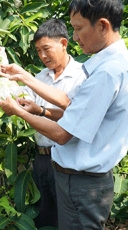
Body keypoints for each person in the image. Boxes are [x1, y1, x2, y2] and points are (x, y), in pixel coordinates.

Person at [0, 0, 128, 230]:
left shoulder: (107, 72)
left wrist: (17, 111)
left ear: (103, 25)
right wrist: (24, 77)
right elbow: (72, 105)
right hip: (83, 182)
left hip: (82, 184)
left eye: (78, 28)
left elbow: (62, 135)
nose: (75, 37)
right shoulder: (116, 62)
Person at [19, 18, 86, 228]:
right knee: (44, 215)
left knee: (68, 218)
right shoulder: (40, 78)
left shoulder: (82, 76)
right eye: (38, 51)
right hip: (41, 159)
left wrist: (40, 111)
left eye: (46, 49)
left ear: (64, 44)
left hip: (68, 159)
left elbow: (74, 115)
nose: (42, 56)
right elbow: (20, 97)